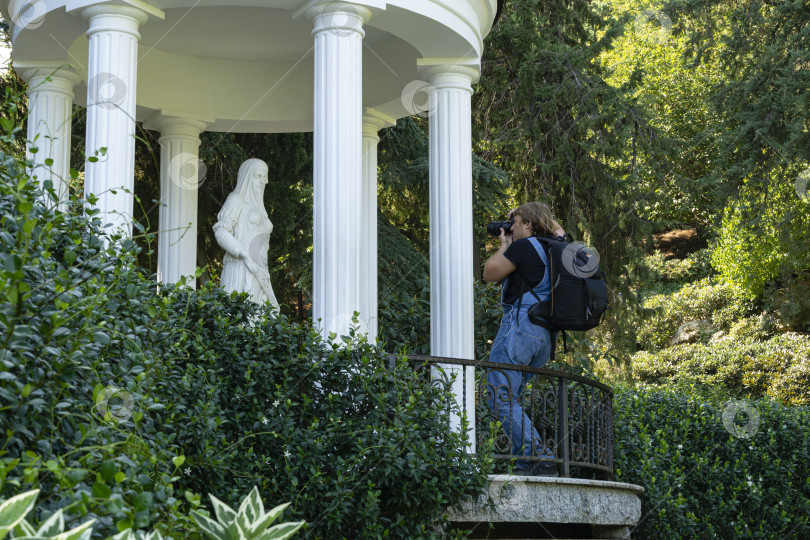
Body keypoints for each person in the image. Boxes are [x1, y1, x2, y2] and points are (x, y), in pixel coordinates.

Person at [482, 202, 565, 476]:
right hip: (543, 338)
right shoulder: (558, 246)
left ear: (529, 224)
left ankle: (539, 457)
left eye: (515, 222)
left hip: (520, 328)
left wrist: (504, 244)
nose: (511, 228)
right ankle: (527, 462)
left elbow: (489, 273)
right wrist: (539, 218)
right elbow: (558, 229)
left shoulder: (523, 246)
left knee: (498, 396)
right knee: (511, 398)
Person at [213, 158, 279, 308]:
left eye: (264, 176)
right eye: (257, 176)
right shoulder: (236, 200)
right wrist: (243, 253)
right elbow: (221, 231)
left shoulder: (261, 210)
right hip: (240, 269)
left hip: (260, 273)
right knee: (238, 321)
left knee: (261, 322)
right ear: (247, 177)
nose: (262, 181)